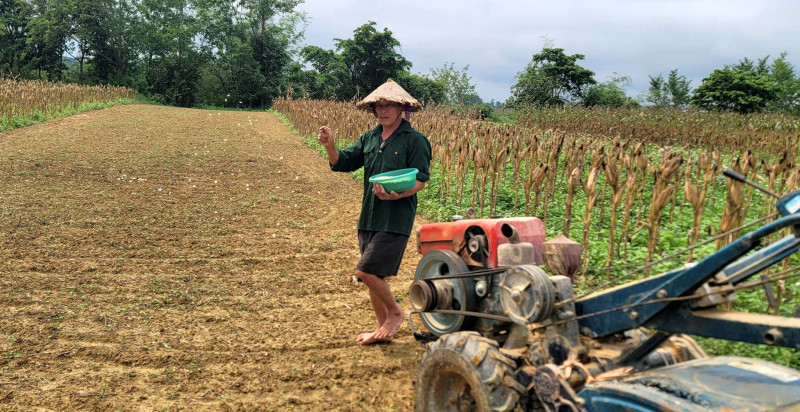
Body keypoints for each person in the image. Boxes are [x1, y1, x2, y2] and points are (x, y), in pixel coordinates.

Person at [317, 79, 431, 346]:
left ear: (402, 107)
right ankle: (381, 330)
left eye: (388, 104)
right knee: (373, 277)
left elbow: (421, 180)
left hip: (396, 219)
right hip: (369, 216)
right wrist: (330, 145)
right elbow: (342, 163)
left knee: (365, 272)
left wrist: (399, 194)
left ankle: (395, 314)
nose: (383, 110)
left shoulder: (415, 140)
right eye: (378, 105)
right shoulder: (369, 138)